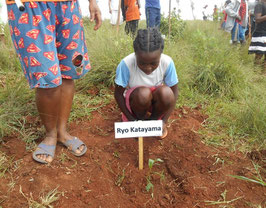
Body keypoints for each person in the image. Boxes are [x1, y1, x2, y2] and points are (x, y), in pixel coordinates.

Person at [6, 0, 102, 163]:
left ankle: (62, 131)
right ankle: (50, 133)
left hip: (67, 6)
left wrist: (93, 2)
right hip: (30, 7)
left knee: (68, 71)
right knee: (47, 77)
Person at [114, 28, 179, 139]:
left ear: (160, 55)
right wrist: (132, 122)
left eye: (154, 63)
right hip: (136, 101)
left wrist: (163, 121)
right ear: (136, 55)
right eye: (142, 63)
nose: (148, 68)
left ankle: (154, 121)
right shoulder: (126, 64)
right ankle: (140, 121)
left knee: (167, 93)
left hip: (155, 101)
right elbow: (118, 94)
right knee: (143, 94)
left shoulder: (167, 62)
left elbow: (174, 92)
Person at [248, 0, 266, 70]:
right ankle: (255, 73)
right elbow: (257, 19)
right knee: (259, 55)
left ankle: (263, 75)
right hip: (261, 33)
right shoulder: (259, 5)